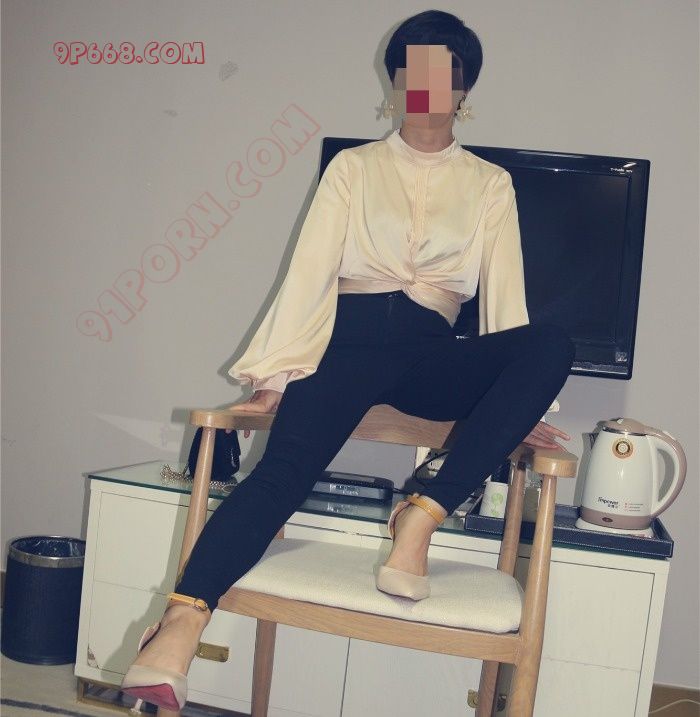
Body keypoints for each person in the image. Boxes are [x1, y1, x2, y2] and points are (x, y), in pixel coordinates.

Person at [121, 10, 575, 712]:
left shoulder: (490, 184)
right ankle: (179, 625)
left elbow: (506, 303)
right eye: (412, 72)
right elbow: (309, 273)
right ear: (394, 84)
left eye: (445, 74)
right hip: (347, 346)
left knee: (551, 344)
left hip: (432, 357)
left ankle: (420, 515)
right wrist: (275, 373)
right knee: (281, 474)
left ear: (463, 91)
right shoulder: (353, 167)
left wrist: (522, 401)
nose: (426, 88)